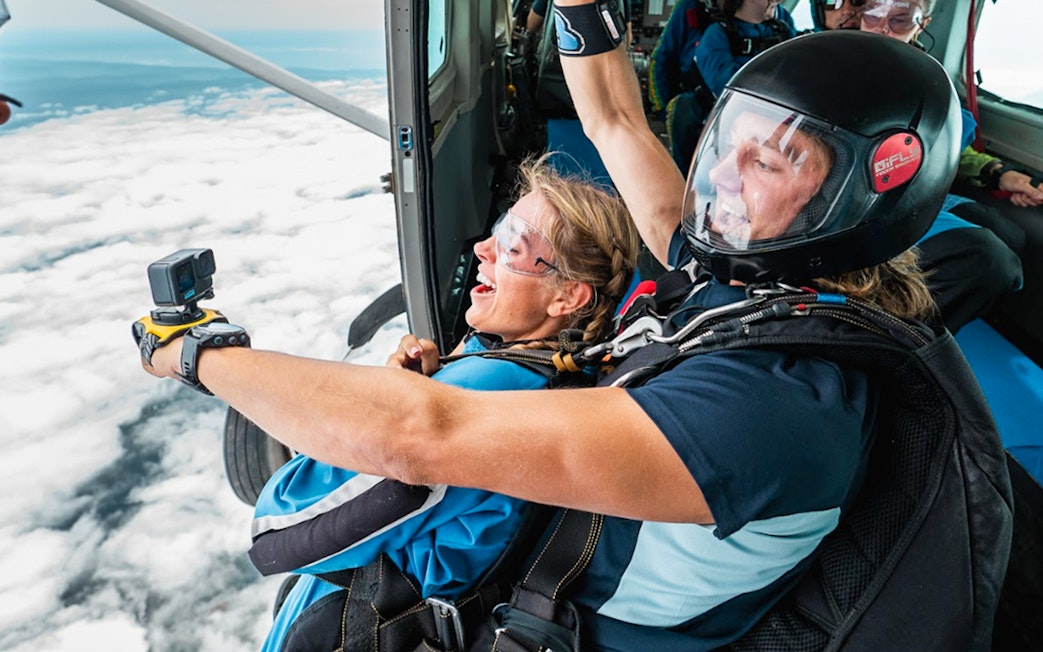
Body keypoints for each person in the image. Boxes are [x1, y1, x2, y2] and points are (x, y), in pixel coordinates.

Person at [136, 20, 959, 652]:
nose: (717, 177)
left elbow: (417, 434)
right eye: (729, 142)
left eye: (770, 162)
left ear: (856, 198)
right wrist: (580, 9)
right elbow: (612, 119)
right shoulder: (754, 286)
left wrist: (199, 352)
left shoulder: (777, 405)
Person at [247, 157, 641, 651]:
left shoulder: (486, 388)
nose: (482, 249)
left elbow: (280, 524)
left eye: (513, 244)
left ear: (566, 298)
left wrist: (381, 421)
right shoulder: (564, 375)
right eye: (499, 229)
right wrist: (427, 384)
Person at [857, 0, 1026, 332]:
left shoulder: (931, 78)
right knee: (991, 260)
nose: (883, 27)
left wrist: (997, 172)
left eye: (900, 19)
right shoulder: (826, 62)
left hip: (913, 192)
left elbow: (946, 147)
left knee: (1010, 234)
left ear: (923, 23)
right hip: (863, 200)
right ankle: (882, 338)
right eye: (873, 14)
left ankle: (908, 320)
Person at [664, 0, 795, 172]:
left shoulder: (784, 31)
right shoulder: (716, 35)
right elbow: (726, 88)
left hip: (778, 123)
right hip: (729, 127)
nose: (778, 1)